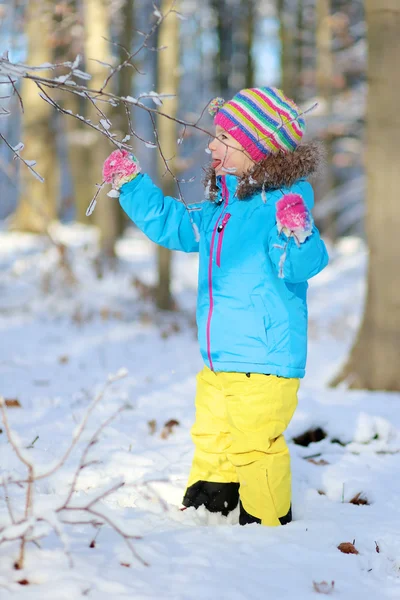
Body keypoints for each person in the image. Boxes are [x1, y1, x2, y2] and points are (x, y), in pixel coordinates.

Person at [102, 87, 329, 526]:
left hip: (264, 360)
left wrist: (297, 234)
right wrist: (132, 186)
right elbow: (173, 224)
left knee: (254, 445)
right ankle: (211, 506)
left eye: (224, 139)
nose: (211, 145)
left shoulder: (281, 207)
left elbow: (302, 264)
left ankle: (267, 522)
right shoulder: (222, 210)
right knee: (213, 437)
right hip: (220, 357)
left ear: (257, 150)